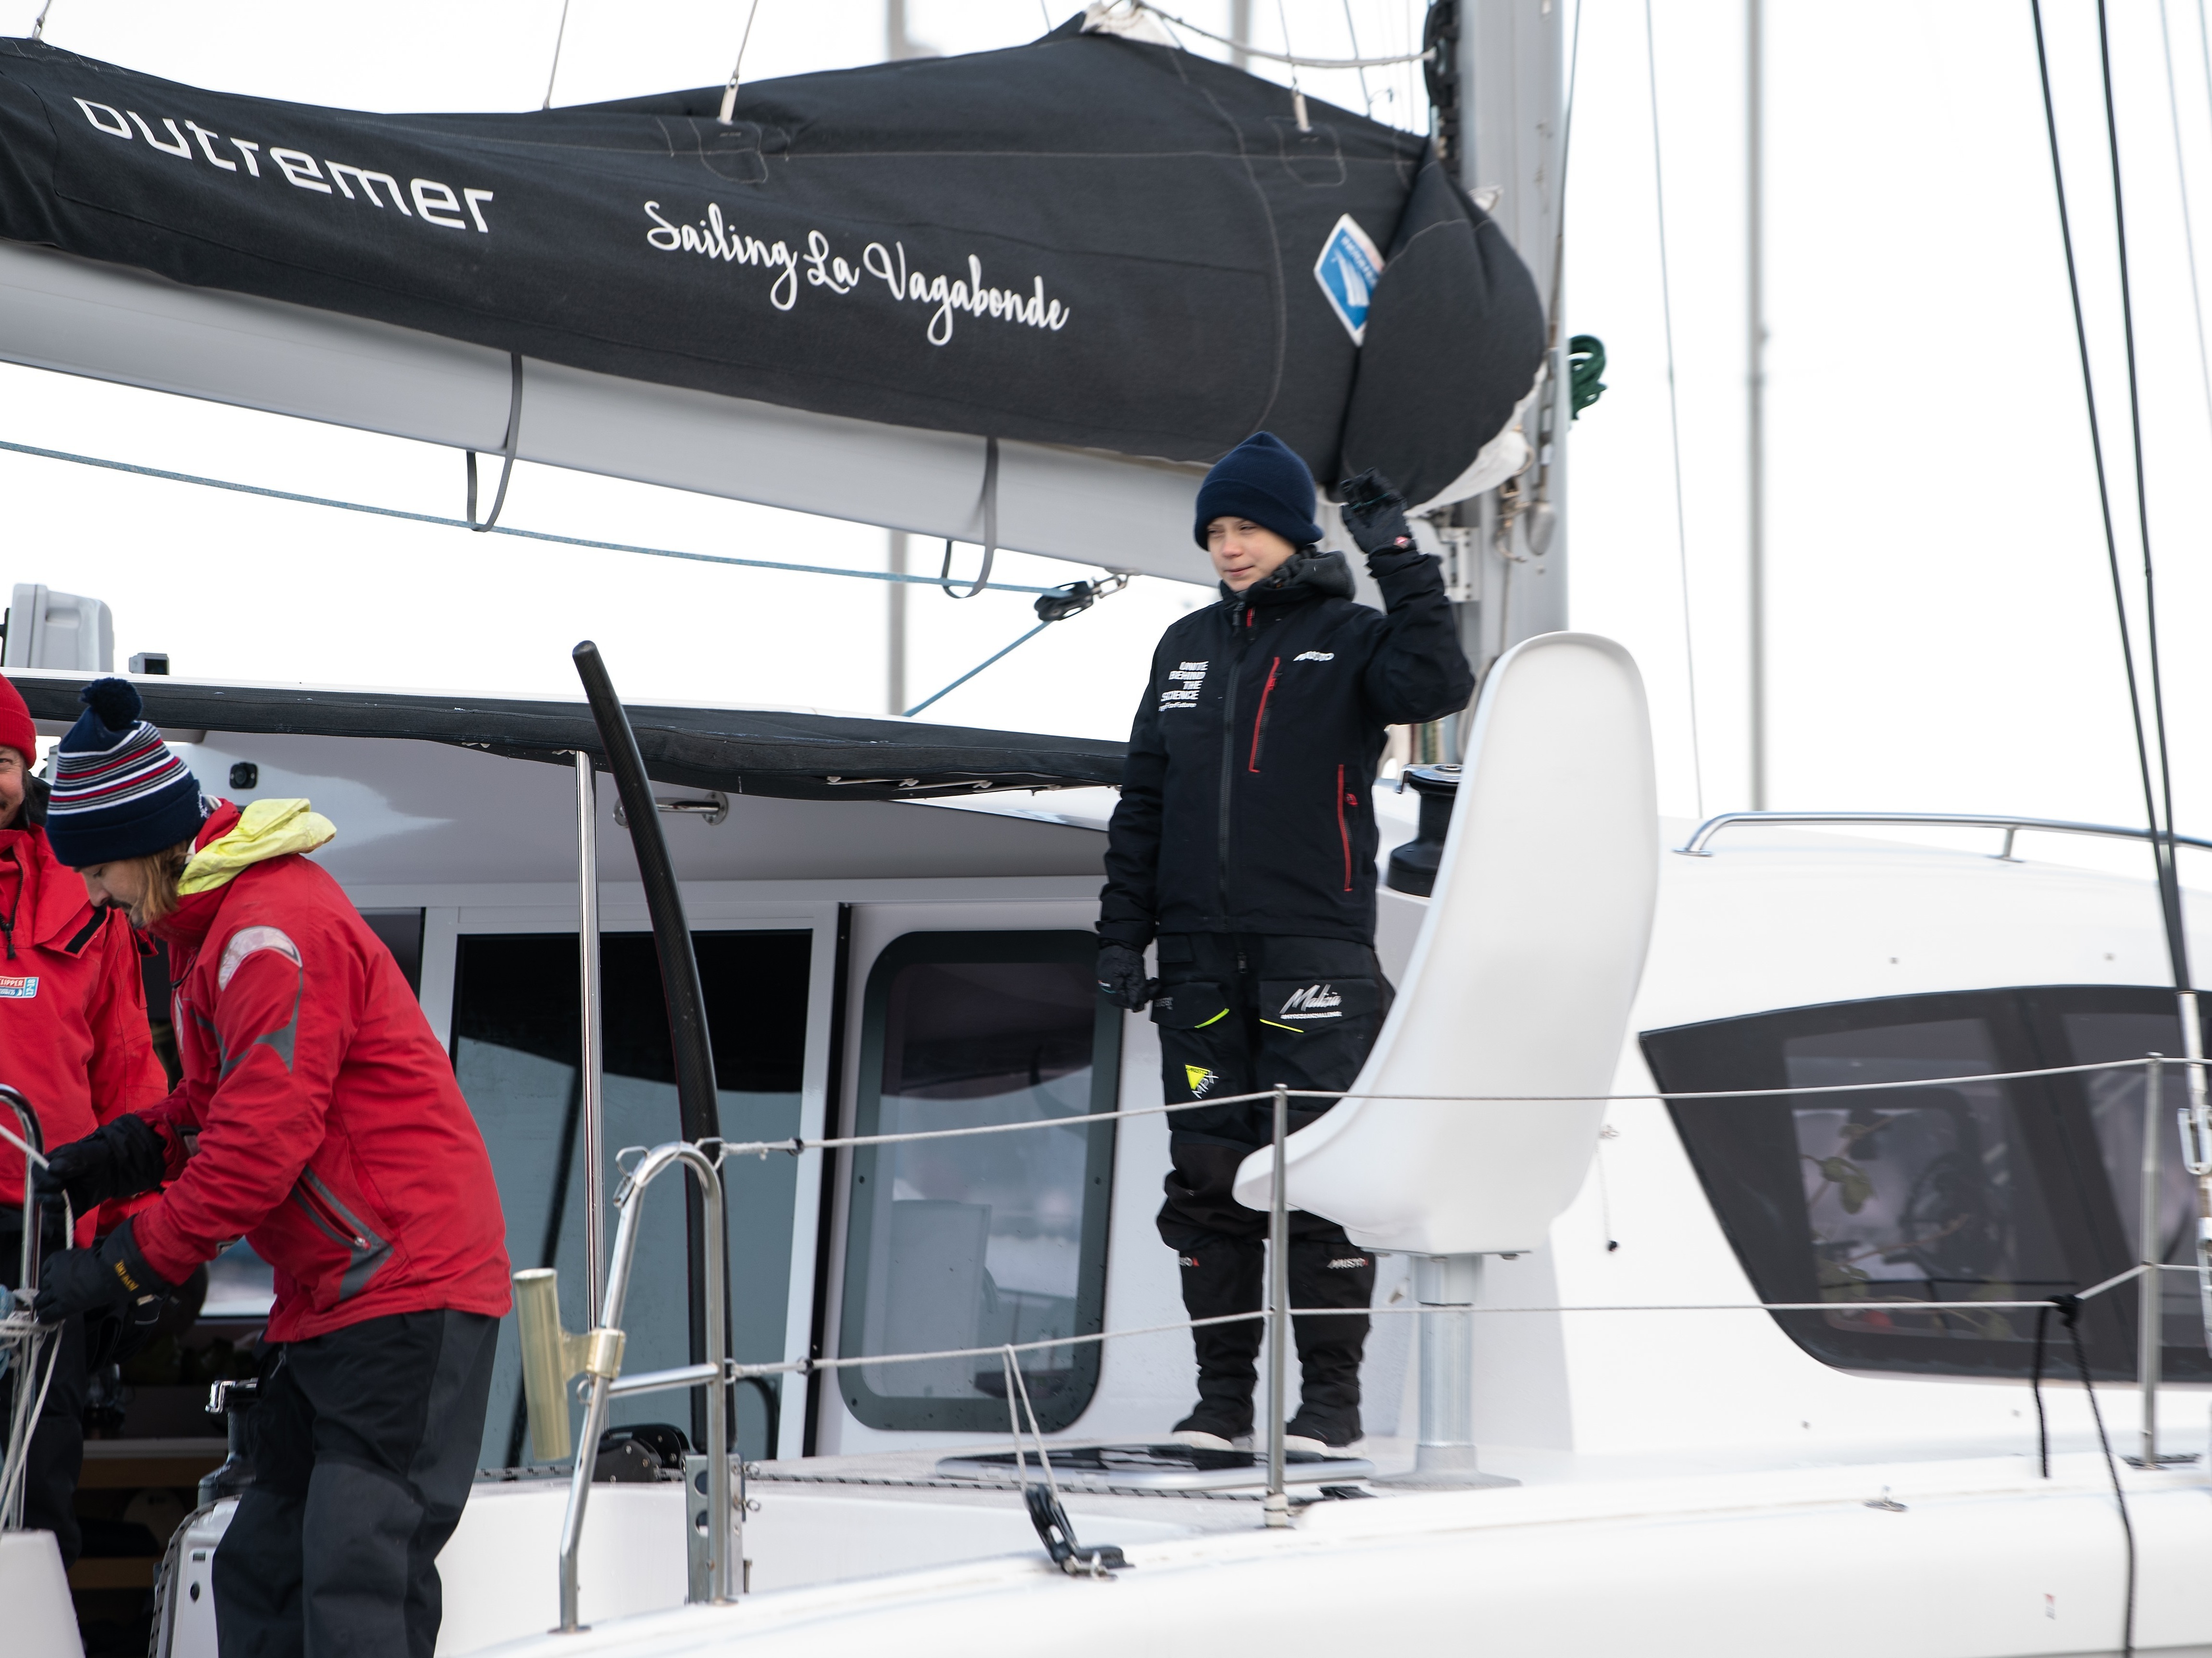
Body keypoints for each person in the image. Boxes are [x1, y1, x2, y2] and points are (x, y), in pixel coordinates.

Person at [30, 678, 511, 1658]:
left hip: (407, 1292)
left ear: (150, 844)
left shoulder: (267, 935)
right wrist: (129, 1149)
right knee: (263, 1565)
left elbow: (257, 1151)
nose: (90, 893)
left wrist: (123, 1264)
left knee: (355, 1577)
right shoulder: (222, 933)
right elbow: (223, 1109)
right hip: (340, 1295)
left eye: (97, 869)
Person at [1097, 431, 1475, 1453]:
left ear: (1291, 534)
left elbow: (1438, 679)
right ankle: (1222, 1407)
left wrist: (1398, 552)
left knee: (1314, 1177)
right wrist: (1122, 938)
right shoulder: (1181, 646)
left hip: (1316, 954)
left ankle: (1331, 1408)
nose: (1228, 547)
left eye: (1247, 528)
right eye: (1215, 531)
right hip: (1200, 958)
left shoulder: (1352, 636)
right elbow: (1145, 800)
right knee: (1211, 1182)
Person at [0, 670, 169, 1566]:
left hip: (48, 1219)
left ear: (27, 769)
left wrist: (136, 1234)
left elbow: (130, 1065)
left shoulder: (86, 890)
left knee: (41, 1467)